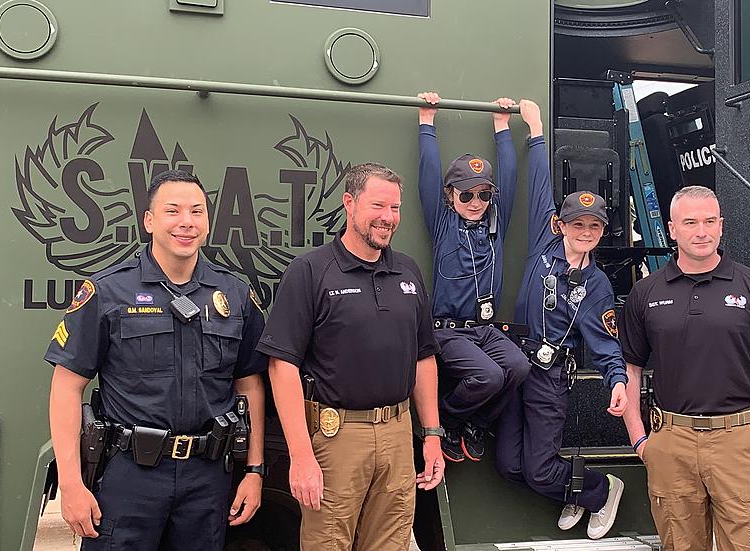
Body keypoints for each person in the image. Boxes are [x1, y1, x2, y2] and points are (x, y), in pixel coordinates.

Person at [46, 169, 267, 550]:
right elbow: (67, 385)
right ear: (149, 221)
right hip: (129, 476)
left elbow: (249, 384)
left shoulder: (234, 294)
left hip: (207, 475)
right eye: (173, 211)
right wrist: (71, 484)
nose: (186, 222)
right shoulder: (108, 291)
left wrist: (254, 470)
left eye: (197, 212)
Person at [258, 162, 445, 551]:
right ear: (349, 202)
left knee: (391, 543)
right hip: (336, 437)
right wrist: (302, 457)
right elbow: (282, 367)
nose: (388, 218)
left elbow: (423, 359)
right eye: (378, 206)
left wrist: (430, 436)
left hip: (397, 435)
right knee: (328, 543)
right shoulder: (310, 271)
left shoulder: (408, 271)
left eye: (395, 209)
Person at [619, 185, 750, 551]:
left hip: (737, 441)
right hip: (670, 440)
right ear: (672, 229)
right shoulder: (646, 293)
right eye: (690, 222)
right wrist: (641, 441)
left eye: (708, 221)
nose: (700, 231)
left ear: (721, 226)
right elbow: (630, 372)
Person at [495, 100, 629, 540]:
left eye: (594, 226)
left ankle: (600, 490)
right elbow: (538, 186)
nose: (585, 232)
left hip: (550, 377)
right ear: (560, 224)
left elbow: (608, 347)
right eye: (577, 224)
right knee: (509, 466)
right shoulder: (542, 249)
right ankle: (573, 491)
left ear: (601, 231)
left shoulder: (597, 286)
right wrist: (532, 129)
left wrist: (618, 384)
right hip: (515, 367)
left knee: (538, 471)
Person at [416, 91, 531, 462]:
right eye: (467, 196)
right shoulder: (444, 221)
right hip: (448, 330)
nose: (476, 203)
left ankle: (476, 422)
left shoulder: (495, 223)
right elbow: (429, 175)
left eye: (484, 195)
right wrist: (426, 121)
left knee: (517, 366)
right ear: (451, 196)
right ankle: (446, 419)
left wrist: (502, 127)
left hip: (486, 330)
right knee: (488, 377)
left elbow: (510, 178)